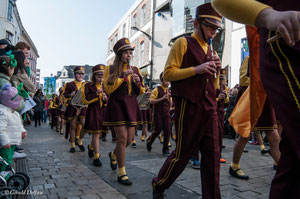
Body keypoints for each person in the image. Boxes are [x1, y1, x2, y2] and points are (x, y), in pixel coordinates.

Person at [212, 2, 299, 198]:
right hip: (253, 94)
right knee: (245, 132)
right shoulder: (249, 59)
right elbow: (244, 79)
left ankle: (278, 163)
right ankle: (235, 164)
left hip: (266, 94)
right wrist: (269, 16)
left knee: (276, 135)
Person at [152, 3, 222, 199]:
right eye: (209, 27)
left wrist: (216, 71)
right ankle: (159, 184)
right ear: (196, 23)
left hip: (209, 107)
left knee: (213, 156)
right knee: (184, 152)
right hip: (188, 106)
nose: (213, 32)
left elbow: (214, 86)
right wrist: (197, 69)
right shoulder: (182, 43)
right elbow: (168, 74)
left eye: (216, 29)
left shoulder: (212, 51)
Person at [103, 38, 145, 186]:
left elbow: (141, 91)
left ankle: (114, 154)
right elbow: (108, 89)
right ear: (119, 54)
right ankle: (122, 172)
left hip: (131, 104)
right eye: (126, 53)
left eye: (130, 52)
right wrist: (123, 76)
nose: (129, 55)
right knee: (121, 139)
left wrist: (137, 82)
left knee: (128, 140)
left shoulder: (136, 69)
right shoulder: (109, 69)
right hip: (117, 105)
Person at [82, 64, 108, 167]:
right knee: (96, 133)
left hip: (103, 111)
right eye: (99, 76)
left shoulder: (106, 86)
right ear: (94, 76)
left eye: (103, 76)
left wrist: (106, 99)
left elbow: (109, 101)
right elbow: (85, 100)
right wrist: (96, 94)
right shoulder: (88, 85)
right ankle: (97, 157)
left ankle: (91, 147)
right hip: (93, 111)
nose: (101, 78)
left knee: (99, 133)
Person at [0, 83, 27, 178]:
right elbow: (1, 130)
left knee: (8, 160)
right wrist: (5, 142)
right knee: (4, 161)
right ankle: (4, 177)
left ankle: (5, 175)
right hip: (6, 144)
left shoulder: (13, 113)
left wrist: (22, 131)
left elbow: (18, 124)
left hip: (12, 142)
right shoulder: (3, 113)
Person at [63, 66, 87, 153]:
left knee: (85, 125)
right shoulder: (69, 84)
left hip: (83, 107)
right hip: (73, 107)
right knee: (72, 126)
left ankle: (80, 141)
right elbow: (64, 95)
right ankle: (72, 145)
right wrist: (70, 95)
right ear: (75, 74)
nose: (80, 76)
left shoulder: (86, 84)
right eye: (78, 74)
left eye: (82, 74)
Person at [147, 72, 171, 156]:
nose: (168, 82)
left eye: (169, 80)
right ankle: (149, 141)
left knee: (168, 130)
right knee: (157, 130)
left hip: (166, 113)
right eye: (166, 80)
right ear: (162, 80)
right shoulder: (157, 89)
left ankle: (165, 149)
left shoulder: (169, 90)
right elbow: (152, 101)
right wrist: (162, 98)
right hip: (158, 113)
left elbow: (170, 103)